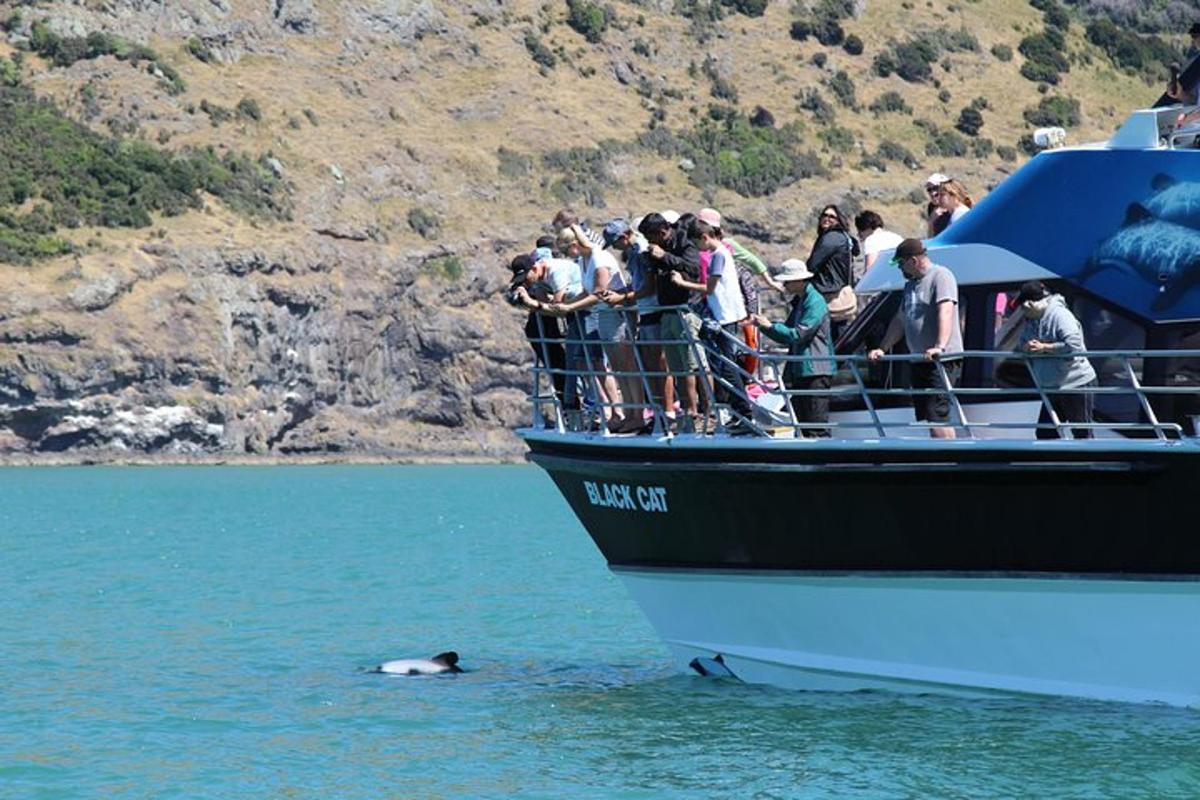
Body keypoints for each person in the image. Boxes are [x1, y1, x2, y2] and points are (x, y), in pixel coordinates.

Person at [867, 238, 964, 439]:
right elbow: (901, 320)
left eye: (901, 264)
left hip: (940, 360)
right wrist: (883, 348)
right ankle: (938, 456)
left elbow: (945, 310)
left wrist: (940, 346)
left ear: (912, 261)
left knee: (937, 413)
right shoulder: (910, 285)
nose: (900, 269)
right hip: (919, 359)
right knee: (929, 415)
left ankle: (948, 460)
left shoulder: (941, 276)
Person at [668, 217, 755, 434]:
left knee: (728, 366)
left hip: (726, 316)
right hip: (724, 315)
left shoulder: (718, 256)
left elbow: (709, 288)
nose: (698, 249)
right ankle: (739, 413)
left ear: (705, 237)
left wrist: (681, 283)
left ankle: (744, 413)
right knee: (724, 365)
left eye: (698, 244)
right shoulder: (722, 252)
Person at [545, 225, 630, 431]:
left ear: (575, 245)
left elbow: (600, 292)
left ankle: (619, 411)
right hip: (599, 316)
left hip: (610, 315)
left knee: (606, 364)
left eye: (566, 251)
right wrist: (567, 307)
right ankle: (607, 410)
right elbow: (586, 291)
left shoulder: (598, 258)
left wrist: (569, 306)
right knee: (590, 364)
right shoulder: (584, 261)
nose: (566, 257)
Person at [601, 217, 676, 426]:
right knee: (652, 365)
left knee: (661, 365)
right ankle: (658, 411)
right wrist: (619, 294)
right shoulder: (634, 252)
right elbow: (637, 285)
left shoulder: (642, 251)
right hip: (645, 312)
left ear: (625, 236)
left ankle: (668, 412)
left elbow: (649, 288)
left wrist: (622, 298)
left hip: (654, 310)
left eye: (616, 243)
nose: (615, 248)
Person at [751, 259, 833, 437]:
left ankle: (820, 458)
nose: (784, 284)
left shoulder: (815, 302)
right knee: (803, 423)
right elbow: (787, 335)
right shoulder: (801, 301)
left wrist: (769, 326)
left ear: (800, 280)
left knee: (815, 425)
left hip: (815, 371)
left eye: (787, 281)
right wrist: (766, 326)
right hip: (802, 369)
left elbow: (798, 334)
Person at [640, 212, 703, 425]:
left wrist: (664, 257)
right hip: (666, 310)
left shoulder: (685, 243)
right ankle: (684, 409)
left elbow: (694, 268)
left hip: (685, 309)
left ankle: (694, 411)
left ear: (662, 231)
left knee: (689, 364)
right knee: (675, 367)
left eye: (651, 237)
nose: (650, 243)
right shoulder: (658, 247)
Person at [1015, 280, 1098, 439]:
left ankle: (1088, 463)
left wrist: (1044, 348)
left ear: (1030, 304)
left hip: (1077, 383)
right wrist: (1025, 347)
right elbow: (1021, 343)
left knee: (1082, 432)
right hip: (1052, 385)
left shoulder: (1061, 315)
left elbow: (1074, 345)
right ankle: (1057, 462)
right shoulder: (1032, 319)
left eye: (1022, 306)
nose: (1022, 310)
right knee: (1045, 432)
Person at [507, 253, 565, 407]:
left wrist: (533, 302)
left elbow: (558, 307)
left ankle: (572, 402)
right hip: (544, 330)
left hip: (552, 329)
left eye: (526, 278)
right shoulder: (538, 279)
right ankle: (569, 401)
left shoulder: (553, 274)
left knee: (565, 366)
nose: (526, 282)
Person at [807, 204, 860, 339]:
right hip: (841, 292)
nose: (827, 218)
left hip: (828, 293)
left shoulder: (831, 237)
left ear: (838, 220)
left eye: (832, 216)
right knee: (839, 335)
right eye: (824, 215)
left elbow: (812, 265)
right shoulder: (845, 238)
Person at [924, 172, 950, 237]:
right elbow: (930, 237)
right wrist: (931, 221)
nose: (933, 193)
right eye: (929, 190)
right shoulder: (932, 207)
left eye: (935, 188)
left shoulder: (955, 207)